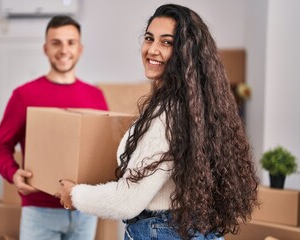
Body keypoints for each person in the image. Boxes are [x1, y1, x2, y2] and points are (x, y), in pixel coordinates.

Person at [56, 4, 259, 240]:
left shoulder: (168, 114)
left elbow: (127, 201)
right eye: (149, 38)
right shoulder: (195, 109)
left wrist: (75, 194)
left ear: (186, 52)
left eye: (166, 42)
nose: (152, 49)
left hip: (161, 231)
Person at [0, 15, 108, 240]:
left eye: (70, 42)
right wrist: (14, 174)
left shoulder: (96, 96)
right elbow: (0, 148)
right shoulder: (24, 95)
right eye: (56, 43)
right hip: (39, 210)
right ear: (45, 48)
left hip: (84, 209)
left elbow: (102, 150)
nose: (64, 50)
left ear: (80, 48)